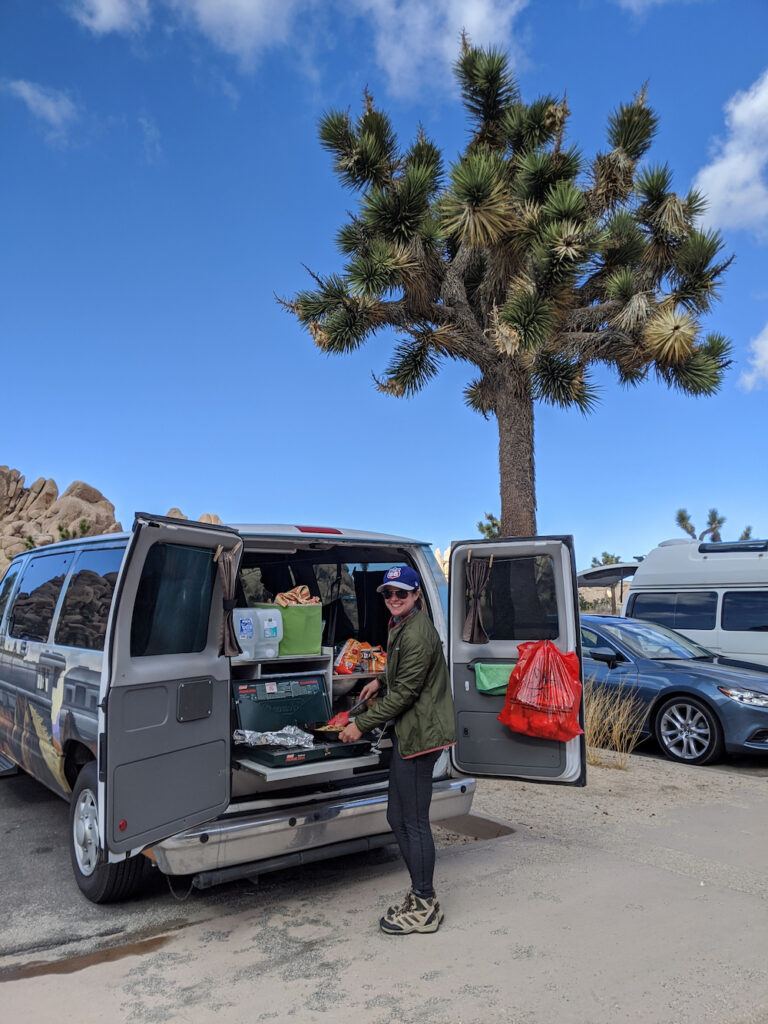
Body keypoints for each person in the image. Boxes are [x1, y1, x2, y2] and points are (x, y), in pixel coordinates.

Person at [339, 565, 456, 935]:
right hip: (410, 732)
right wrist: (378, 680)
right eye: (388, 593)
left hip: (422, 736)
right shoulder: (402, 624)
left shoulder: (417, 633)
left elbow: (405, 694)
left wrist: (360, 723)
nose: (393, 599)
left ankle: (425, 904)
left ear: (416, 594)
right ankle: (419, 893)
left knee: (413, 821)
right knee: (396, 816)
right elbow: (402, 672)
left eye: (401, 593)